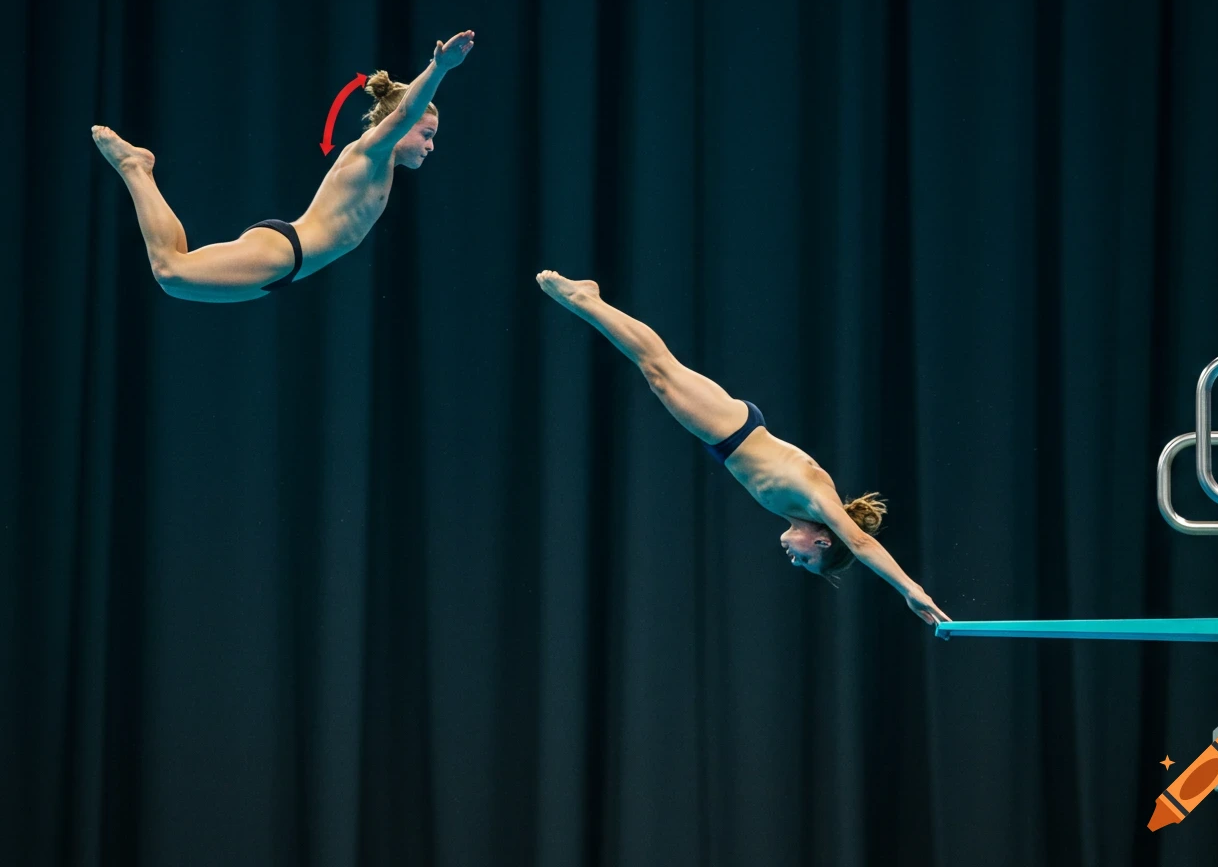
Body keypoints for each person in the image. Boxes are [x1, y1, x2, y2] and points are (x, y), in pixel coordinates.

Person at [535, 270, 950, 626]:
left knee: (658, 368)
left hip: (731, 436)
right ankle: (585, 299)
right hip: (733, 431)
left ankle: (589, 301)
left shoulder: (799, 511)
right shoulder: (820, 503)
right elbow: (860, 544)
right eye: (806, 560)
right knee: (657, 366)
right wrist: (910, 589)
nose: (794, 560)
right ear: (823, 542)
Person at [90, 30, 476, 303]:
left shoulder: (382, 166)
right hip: (283, 251)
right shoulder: (371, 151)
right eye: (426, 134)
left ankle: (138, 169)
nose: (430, 145)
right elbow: (406, 111)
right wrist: (439, 67)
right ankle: (135, 167)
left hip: (286, 270)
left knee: (172, 280)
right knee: (169, 269)